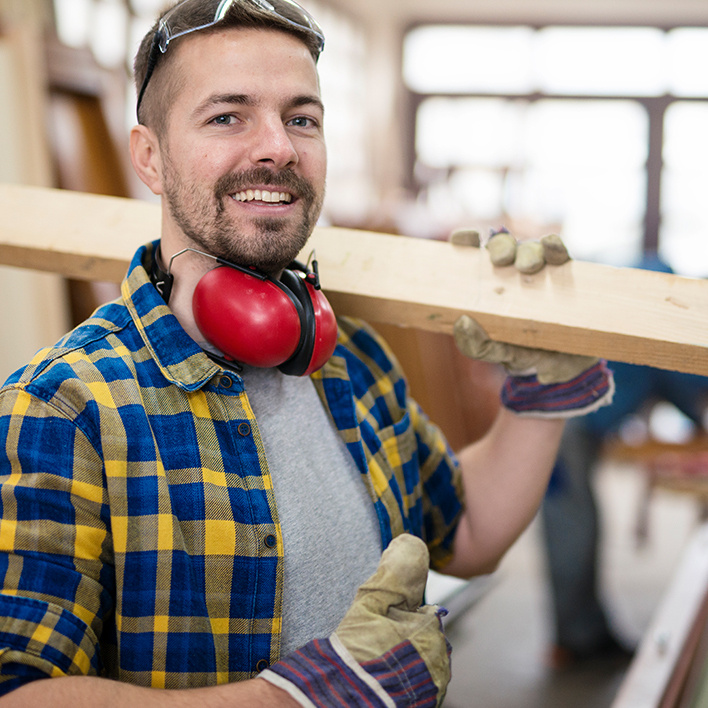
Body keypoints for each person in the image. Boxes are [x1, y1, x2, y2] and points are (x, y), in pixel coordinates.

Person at [0, 0, 613, 704]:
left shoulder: (348, 357)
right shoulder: (65, 405)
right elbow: (20, 693)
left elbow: (466, 528)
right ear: (150, 157)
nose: (279, 148)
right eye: (228, 116)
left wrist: (541, 391)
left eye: (302, 118)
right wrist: (297, 698)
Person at [541, 255, 708, 670]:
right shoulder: (673, 308)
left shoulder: (656, 286)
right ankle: (575, 640)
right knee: (573, 528)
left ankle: (587, 631)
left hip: (565, 419)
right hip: (558, 423)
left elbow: (676, 382)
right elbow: (687, 382)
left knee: (581, 524)